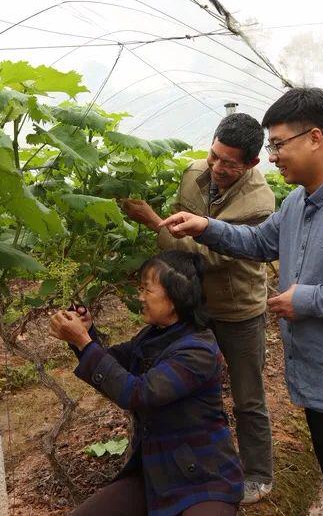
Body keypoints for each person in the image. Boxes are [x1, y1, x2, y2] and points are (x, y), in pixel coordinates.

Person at [159, 88, 323, 516]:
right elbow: (259, 241)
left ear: (315, 137)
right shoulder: (299, 202)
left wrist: (310, 300)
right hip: (320, 377)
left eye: (279, 144)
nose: (273, 156)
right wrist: (205, 226)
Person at [120, 113, 276, 504]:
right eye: (214, 155)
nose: (217, 167)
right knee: (190, 388)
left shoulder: (260, 202)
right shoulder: (193, 173)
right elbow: (179, 218)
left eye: (229, 163)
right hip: (195, 303)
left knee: (247, 395)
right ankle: (192, 463)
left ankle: (258, 474)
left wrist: (153, 222)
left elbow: (214, 255)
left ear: (252, 163)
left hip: (238, 308)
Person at [49, 250, 243, 516]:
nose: (140, 297)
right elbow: (114, 365)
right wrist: (85, 336)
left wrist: (84, 342)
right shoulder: (154, 336)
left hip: (203, 478)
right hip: (155, 472)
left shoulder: (198, 351)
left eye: (147, 290)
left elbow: (136, 393)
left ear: (175, 296)